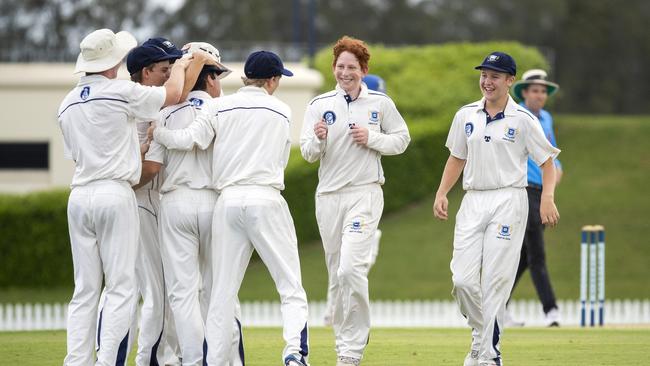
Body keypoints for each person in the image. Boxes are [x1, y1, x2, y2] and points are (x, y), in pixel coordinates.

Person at [151, 50, 310, 366]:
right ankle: (294, 353)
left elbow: (189, 140)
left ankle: (214, 361)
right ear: (273, 80)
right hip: (265, 197)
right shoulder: (282, 110)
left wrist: (158, 132)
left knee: (221, 293)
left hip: (228, 201)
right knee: (290, 285)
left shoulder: (219, 106)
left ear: (245, 77)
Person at [57, 28, 188, 366]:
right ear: (114, 61)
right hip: (115, 192)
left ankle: (76, 361)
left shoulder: (66, 102)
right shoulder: (121, 90)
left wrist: (133, 148)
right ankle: (106, 362)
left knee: (85, 290)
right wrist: (186, 61)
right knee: (121, 286)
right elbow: (171, 94)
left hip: (80, 193)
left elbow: (85, 151)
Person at [432, 52, 560, 366]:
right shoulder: (465, 115)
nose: (487, 82)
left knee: (495, 281)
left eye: (495, 76)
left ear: (509, 81)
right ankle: (480, 335)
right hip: (473, 199)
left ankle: (489, 354)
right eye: (484, 75)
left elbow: (547, 163)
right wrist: (442, 193)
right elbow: (457, 158)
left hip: (509, 199)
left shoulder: (524, 120)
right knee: (462, 280)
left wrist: (547, 198)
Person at [300, 36, 410, 366]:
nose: (345, 72)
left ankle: (351, 349)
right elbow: (307, 153)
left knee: (350, 269)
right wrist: (318, 141)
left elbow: (402, 140)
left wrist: (372, 138)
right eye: (340, 66)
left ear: (363, 70)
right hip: (329, 197)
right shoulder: (319, 105)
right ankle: (342, 347)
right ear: (334, 68)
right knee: (337, 275)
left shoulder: (380, 104)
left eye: (352, 67)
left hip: (364, 192)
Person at [141, 41, 245, 365]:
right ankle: (227, 361)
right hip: (216, 203)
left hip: (175, 203)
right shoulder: (226, 112)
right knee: (220, 291)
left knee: (182, 295)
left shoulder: (165, 112)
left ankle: (192, 361)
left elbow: (153, 166)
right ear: (211, 78)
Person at [322, 73, 387, 327]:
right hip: (341, 195)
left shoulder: (376, 110)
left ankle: (336, 311)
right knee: (343, 263)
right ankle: (335, 312)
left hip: (365, 195)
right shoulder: (341, 112)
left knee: (349, 264)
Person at [507, 69, 563, 327]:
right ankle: (551, 310)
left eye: (543, 91)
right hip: (523, 190)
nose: (540, 95)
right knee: (537, 253)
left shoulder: (547, 118)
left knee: (524, 256)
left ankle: (498, 305)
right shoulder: (518, 115)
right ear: (525, 93)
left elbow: (550, 155)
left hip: (542, 191)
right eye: (535, 91)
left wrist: (555, 176)